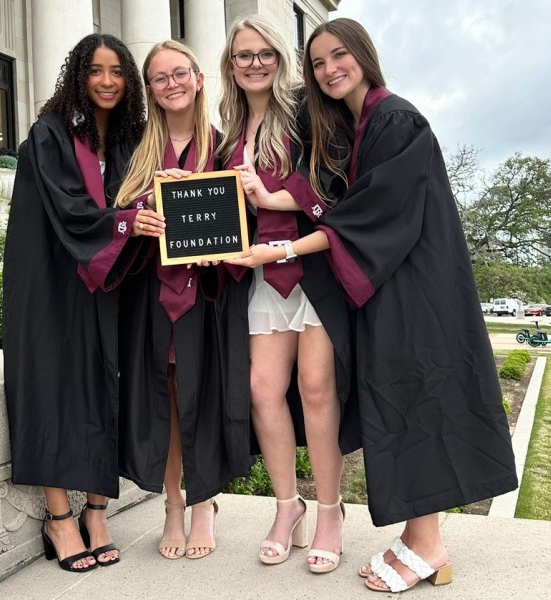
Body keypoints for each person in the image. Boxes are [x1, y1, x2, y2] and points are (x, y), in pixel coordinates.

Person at [235, 17, 519, 592]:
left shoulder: (396, 119)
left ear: (364, 54)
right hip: (392, 283)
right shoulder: (362, 122)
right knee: (402, 402)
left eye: (339, 55)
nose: (329, 68)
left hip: (418, 285)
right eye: (317, 62)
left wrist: (284, 245)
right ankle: (418, 537)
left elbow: (368, 215)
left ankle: (430, 544)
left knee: (421, 400)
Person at [2, 33, 146, 573]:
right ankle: (59, 519)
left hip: (112, 281)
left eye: (117, 72)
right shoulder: (50, 135)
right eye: (96, 70)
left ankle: (98, 510)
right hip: (52, 283)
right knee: (52, 389)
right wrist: (129, 219)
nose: (107, 81)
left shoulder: (134, 139)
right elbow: (70, 210)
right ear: (78, 76)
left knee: (107, 386)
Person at [219, 15, 357, 574]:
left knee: (317, 388)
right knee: (262, 390)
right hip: (259, 276)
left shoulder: (308, 114)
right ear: (230, 66)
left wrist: (274, 198)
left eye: (264, 53)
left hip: (312, 269)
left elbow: (335, 190)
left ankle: (330, 511)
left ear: (279, 58)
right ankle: (287, 506)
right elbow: (223, 209)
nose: (254, 63)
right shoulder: (229, 131)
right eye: (242, 55)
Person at [114, 40, 251, 560]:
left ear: (198, 78)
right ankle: (173, 506)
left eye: (179, 73)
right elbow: (114, 220)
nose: (171, 83)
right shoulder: (135, 151)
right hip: (152, 294)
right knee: (165, 399)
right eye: (159, 77)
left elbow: (245, 221)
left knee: (202, 399)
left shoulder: (225, 147)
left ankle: (204, 505)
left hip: (207, 297)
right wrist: (147, 201)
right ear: (150, 89)